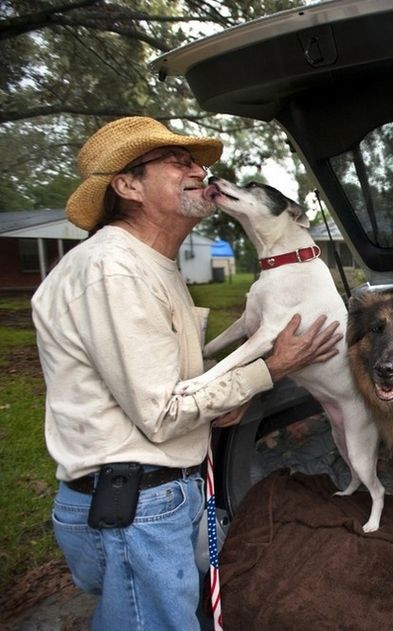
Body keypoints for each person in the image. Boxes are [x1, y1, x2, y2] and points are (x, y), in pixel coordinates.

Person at [31, 116, 343, 630]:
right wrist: (272, 367)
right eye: (179, 162)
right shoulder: (115, 271)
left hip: (153, 499)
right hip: (135, 511)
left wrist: (227, 397)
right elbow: (165, 412)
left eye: (196, 161)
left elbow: (170, 385)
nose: (200, 170)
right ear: (129, 186)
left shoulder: (151, 264)